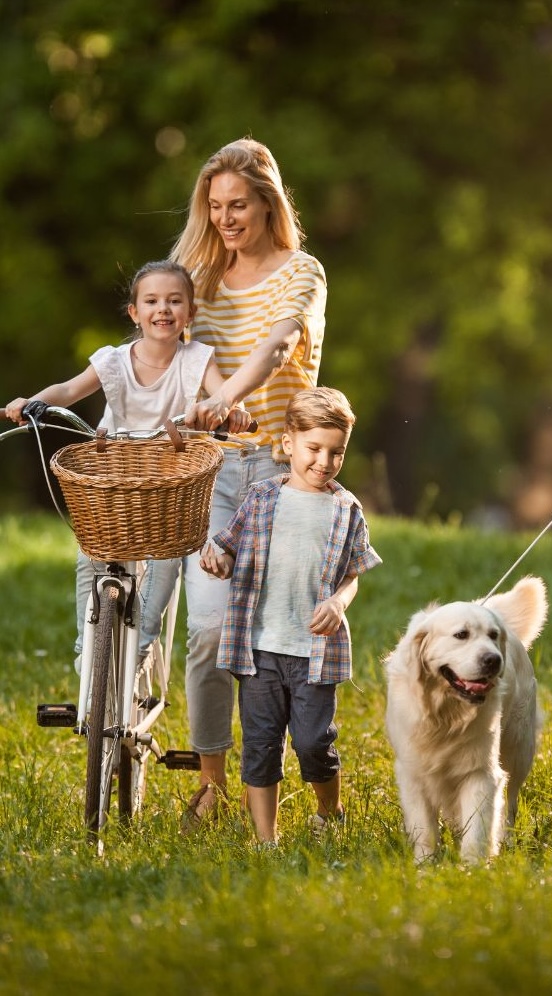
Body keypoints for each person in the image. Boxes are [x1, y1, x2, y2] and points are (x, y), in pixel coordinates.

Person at [143, 138, 328, 829]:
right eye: (215, 206)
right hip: (212, 472)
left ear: (266, 203)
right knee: (211, 628)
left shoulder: (300, 272)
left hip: (282, 476)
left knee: (280, 641)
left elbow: (279, 344)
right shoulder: (196, 273)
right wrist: (195, 405)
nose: (225, 218)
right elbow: (171, 347)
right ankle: (212, 783)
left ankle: (302, 782)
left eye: (238, 204)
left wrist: (230, 397)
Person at [2, 260, 247, 669]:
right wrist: (32, 402)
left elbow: (220, 394)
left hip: (171, 476)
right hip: (115, 471)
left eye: (174, 301)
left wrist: (231, 410)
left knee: (168, 559)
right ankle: (88, 647)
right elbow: (68, 389)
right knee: (92, 552)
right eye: (151, 301)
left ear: (190, 312)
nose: (163, 309)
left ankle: (142, 647)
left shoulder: (198, 358)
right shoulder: (113, 360)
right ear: (135, 312)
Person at [199, 387, 381, 845]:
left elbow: (354, 574)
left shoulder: (346, 509)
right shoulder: (262, 498)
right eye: (313, 448)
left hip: (314, 652)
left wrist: (339, 602)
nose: (324, 461)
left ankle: (329, 810)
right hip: (258, 648)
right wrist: (216, 557)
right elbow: (224, 545)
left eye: (335, 452)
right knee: (260, 747)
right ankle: (266, 842)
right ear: (288, 442)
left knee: (312, 742)